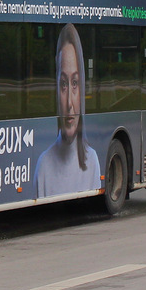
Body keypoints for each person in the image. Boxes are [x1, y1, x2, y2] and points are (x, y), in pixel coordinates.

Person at [36, 24, 101, 196]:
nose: (70, 103)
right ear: (56, 90)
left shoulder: (92, 162)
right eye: (63, 84)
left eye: (75, 84)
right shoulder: (43, 166)